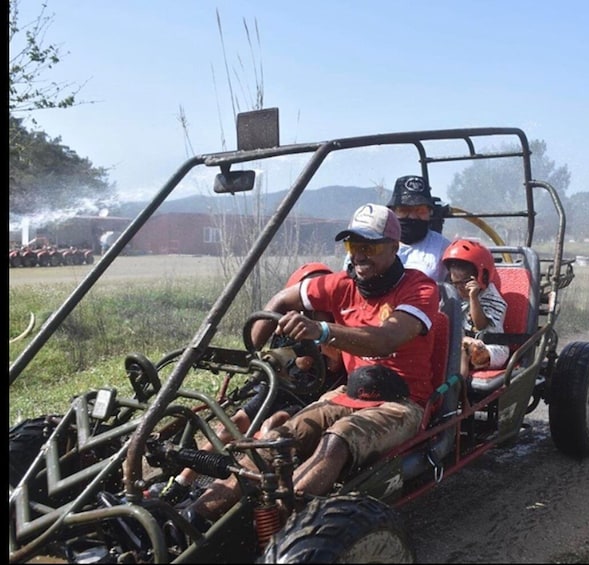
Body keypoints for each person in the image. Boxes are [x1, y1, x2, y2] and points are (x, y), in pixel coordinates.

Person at [184, 203, 440, 522]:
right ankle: (190, 520)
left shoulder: (419, 288)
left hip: (401, 404)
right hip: (350, 394)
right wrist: (254, 351)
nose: (359, 255)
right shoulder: (341, 285)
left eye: (369, 246)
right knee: (276, 440)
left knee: (338, 439)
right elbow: (281, 299)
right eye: (353, 245)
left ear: (392, 247)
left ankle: (284, 522)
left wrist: (321, 330)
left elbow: (384, 339)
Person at [149, 262, 345, 505]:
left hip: (310, 398)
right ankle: (182, 482)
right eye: (305, 297)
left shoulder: (334, 327)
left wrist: (315, 333)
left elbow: (335, 363)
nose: (310, 304)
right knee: (231, 425)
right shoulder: (284, 324)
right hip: (279, 389)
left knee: (271, 428)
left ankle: (242, 493)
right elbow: (263, 351)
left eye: (316, 299)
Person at [342, 175, 450, 282]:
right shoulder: (366, 243)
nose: (412, 217)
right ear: (392, 212)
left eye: (420, 211)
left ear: (430, 212)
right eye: (404, 210)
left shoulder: (443, 248)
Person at [442, 239, 509, 379]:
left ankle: (456, 391)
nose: (460, 288)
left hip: (491, 347)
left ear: (481, 277)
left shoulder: (493, 298)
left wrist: (473, 298)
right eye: (455, 283)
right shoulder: (454, 295)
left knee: (465, 349)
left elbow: (480, 325)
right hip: (461, 343)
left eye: (464, 282)